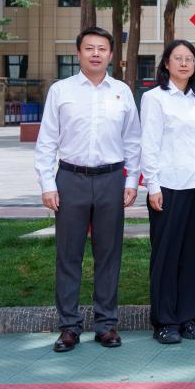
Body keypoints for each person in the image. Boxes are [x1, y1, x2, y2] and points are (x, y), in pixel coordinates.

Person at [34, 26, 140, 353]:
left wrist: (132, 181)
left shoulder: (122, 92)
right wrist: (47, 184)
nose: (96, 54)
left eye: (102, 49)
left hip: (111, 180)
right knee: (69, 255)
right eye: (89, 48)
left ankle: (106, 325)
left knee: (109, 254)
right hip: (70, 180)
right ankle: (69, 327)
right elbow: (47, 141)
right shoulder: (61, 91)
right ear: (78, 52)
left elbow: (133, 141)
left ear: (111, 54)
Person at [140, 39, 195, 344]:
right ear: (166, 63)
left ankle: (188, 318)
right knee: (166, 256)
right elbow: (149, 143)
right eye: (178, 58)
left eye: (189, 59)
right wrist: (152, 185)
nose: (184, 63)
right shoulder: (154, 98)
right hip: (167, 188)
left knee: (194, 256)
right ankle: (165, 321)